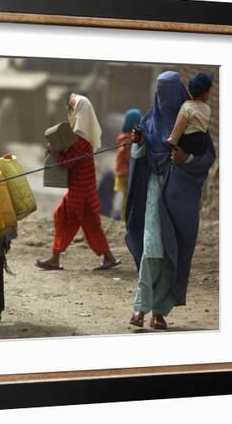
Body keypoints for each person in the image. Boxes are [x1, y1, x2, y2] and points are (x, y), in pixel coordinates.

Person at [126, 71, 216, 329]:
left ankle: (160, 311)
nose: (165, 99)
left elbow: (207, 157)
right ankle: (140, 308)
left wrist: (184, 160)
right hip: (155, 193)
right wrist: (139, 143)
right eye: (161, 93)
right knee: (152, 248)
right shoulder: (149, 121)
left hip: (179, 198)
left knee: (170, 254)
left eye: (170, 93)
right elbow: (141, 156)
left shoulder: (194, 119)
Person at [36, 93, 121, 271]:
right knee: (83, 224)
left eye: (73, 109)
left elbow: (68, 162)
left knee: (70, 221)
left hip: (80, 193)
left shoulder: (81, 139)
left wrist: (54, 151)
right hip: (83, 191)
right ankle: (107, 257)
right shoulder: (81, 137)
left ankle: (56, 258)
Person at [167, 72, 214, 156]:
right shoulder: (207, 108)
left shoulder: (186, 107)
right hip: (202, 143)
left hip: (189, 142)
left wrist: (171, 141)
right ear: (205, 93)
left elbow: (179, 126)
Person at [114, 108, 142, 221]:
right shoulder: (129, 140)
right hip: (127, 173)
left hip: (121, 172)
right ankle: (124, 218)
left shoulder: (122, 137)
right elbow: (127, 157)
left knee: (125, 196)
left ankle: (124, 216)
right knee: (127, 197)